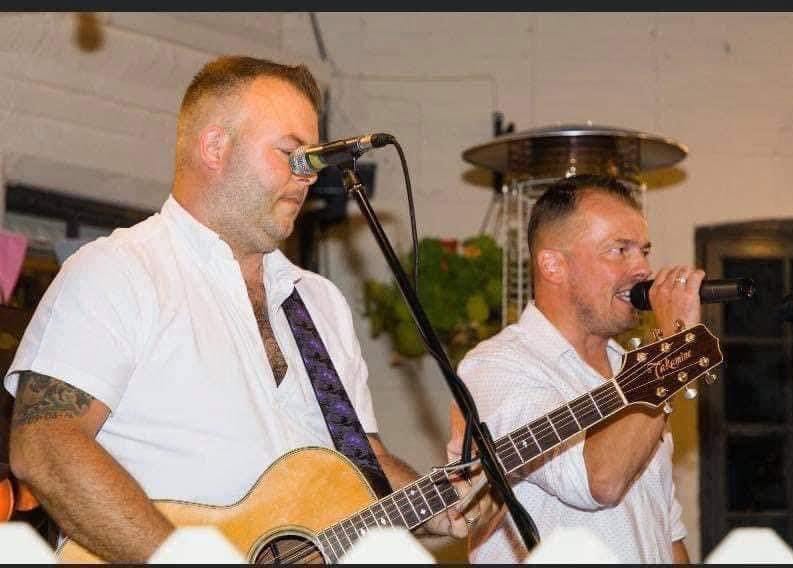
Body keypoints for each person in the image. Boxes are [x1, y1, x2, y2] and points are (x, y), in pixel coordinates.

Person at [5, 55, 482, 562]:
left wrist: (442, 504)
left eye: (312, 159)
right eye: (291, 154)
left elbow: (365, 464)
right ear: (215, 146)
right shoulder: (119, 271)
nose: (308, 176)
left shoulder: (319, 302)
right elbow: (45, 447)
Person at [447, 174, 699, 563]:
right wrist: (672, 347)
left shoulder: (631, 368)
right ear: (553, 265)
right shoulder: (496, 367)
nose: (642, 269)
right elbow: (598, 481)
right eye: (620, 250)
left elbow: (664, 533)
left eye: (644, 251)